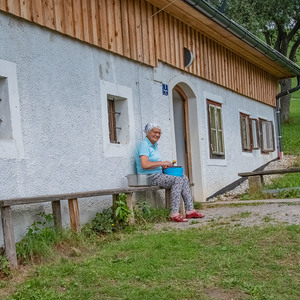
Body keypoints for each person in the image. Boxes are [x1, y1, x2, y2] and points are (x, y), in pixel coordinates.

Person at [136, 122, 205, 222]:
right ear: (147, 132)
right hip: (148, 177)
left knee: (183, 177)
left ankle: (190, 210)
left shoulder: (154, 145)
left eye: (159, 133)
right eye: (155, 132)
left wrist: (163, 166)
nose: (157, 135)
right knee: (177, 180)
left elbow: (154, 163)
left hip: (157, 174)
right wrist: (162, 163)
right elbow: (144, 165)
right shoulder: (144, 145)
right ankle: (174, 213)